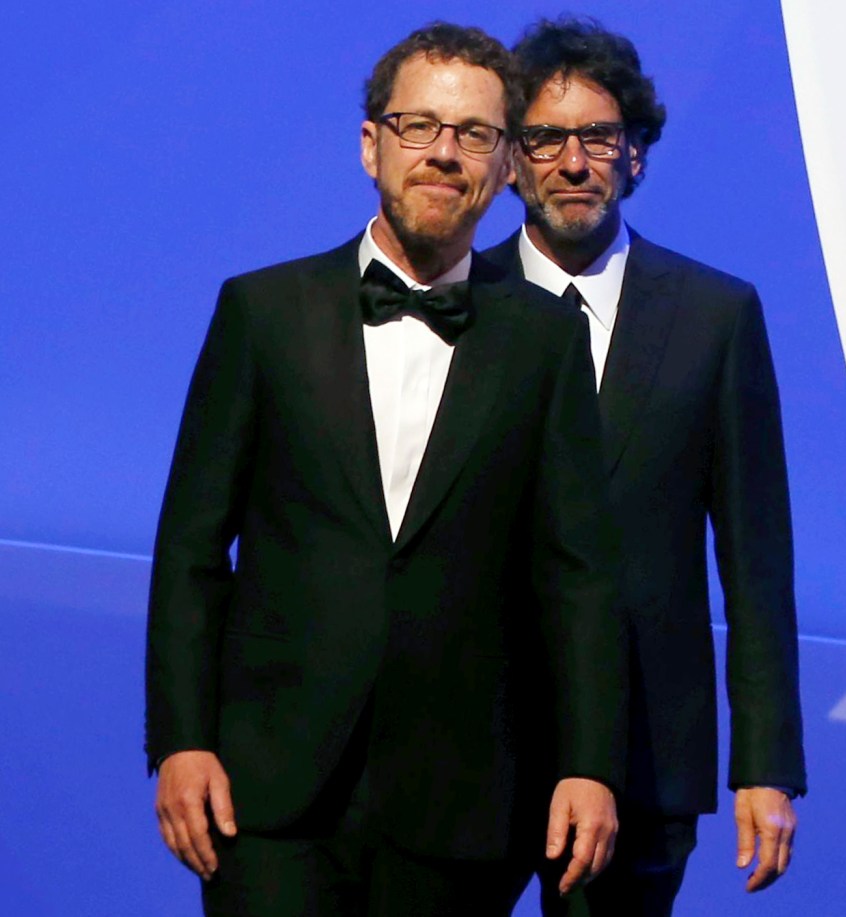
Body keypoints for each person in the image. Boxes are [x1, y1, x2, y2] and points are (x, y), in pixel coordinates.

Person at [145, 22, 624, 916]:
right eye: (419, 125)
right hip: (266, 796)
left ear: (506, 164)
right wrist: (179, 740)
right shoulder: (262, 312)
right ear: (372, 144)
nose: (444, 154)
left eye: (475, 133)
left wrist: (590, 763)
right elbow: (192, 551)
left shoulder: (545, 340)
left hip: (462, 807)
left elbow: (578, 575)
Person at [483, 18, 806, 916]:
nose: (574, 161)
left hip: (646, 756)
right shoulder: (457, 307)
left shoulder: (714, 315)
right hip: (467, 746)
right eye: (546, 138)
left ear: (637, 157)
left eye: (600, 137)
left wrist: (766, 763)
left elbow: (756, 558)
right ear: (512, 160)